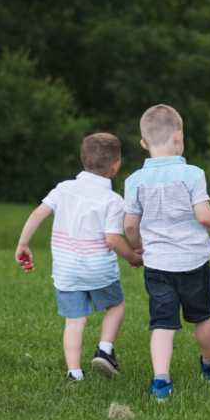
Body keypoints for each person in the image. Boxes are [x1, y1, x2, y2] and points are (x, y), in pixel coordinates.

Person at [124, 104, 210, 402]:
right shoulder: (192, 174)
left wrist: (136, 247)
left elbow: (130, 224)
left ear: (144, 144)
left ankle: (161, 381)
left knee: (162, 322)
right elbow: (204, 216)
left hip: (157, 264)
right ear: (179, 137)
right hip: (193, 262)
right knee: (201, 316)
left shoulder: (134, 181)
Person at [14, 132, 142, 382]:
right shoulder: (113, 200)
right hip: (98, 268)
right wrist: (132, 257)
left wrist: (23, 243)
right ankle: (105, 350)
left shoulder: (64, 189)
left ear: (83, 159)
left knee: (74, 320)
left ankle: (74, 373)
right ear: (116, 166)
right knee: (115, 306)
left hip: (66, 268)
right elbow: (113, 239)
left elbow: (38, 213)